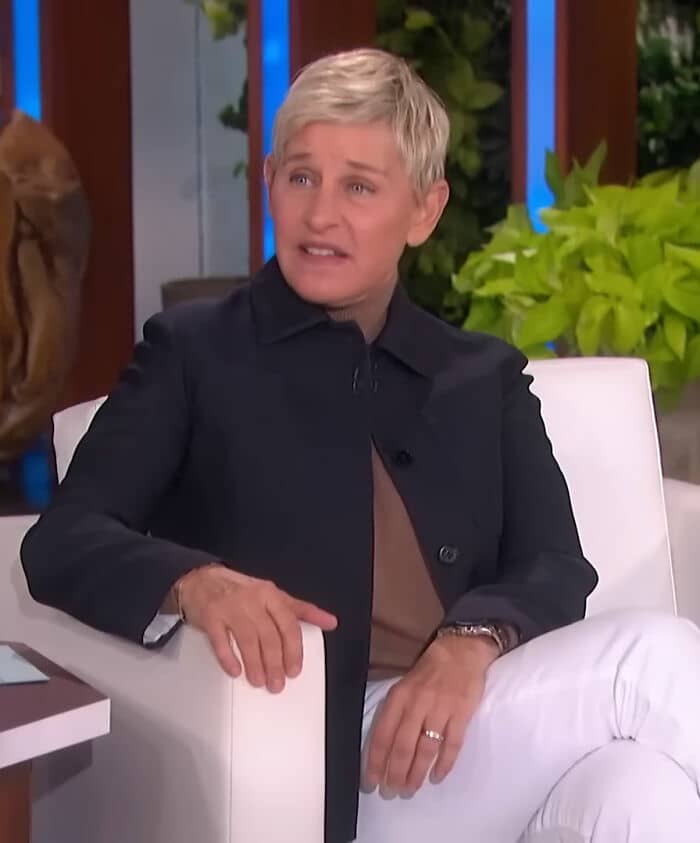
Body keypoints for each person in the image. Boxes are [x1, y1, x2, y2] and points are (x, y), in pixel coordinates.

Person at [20, 48, 700, 843]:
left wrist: (468, 644)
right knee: (651, 663)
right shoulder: (194, 353)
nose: (320, 215)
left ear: (425, 210)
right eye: (301, 177)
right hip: (331, 763)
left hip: (472, 733)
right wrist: (194, 582)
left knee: (640, 792)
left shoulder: (480, 374)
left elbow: (553, 564)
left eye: (359, 187)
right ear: (269, 180)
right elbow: (63, 540)